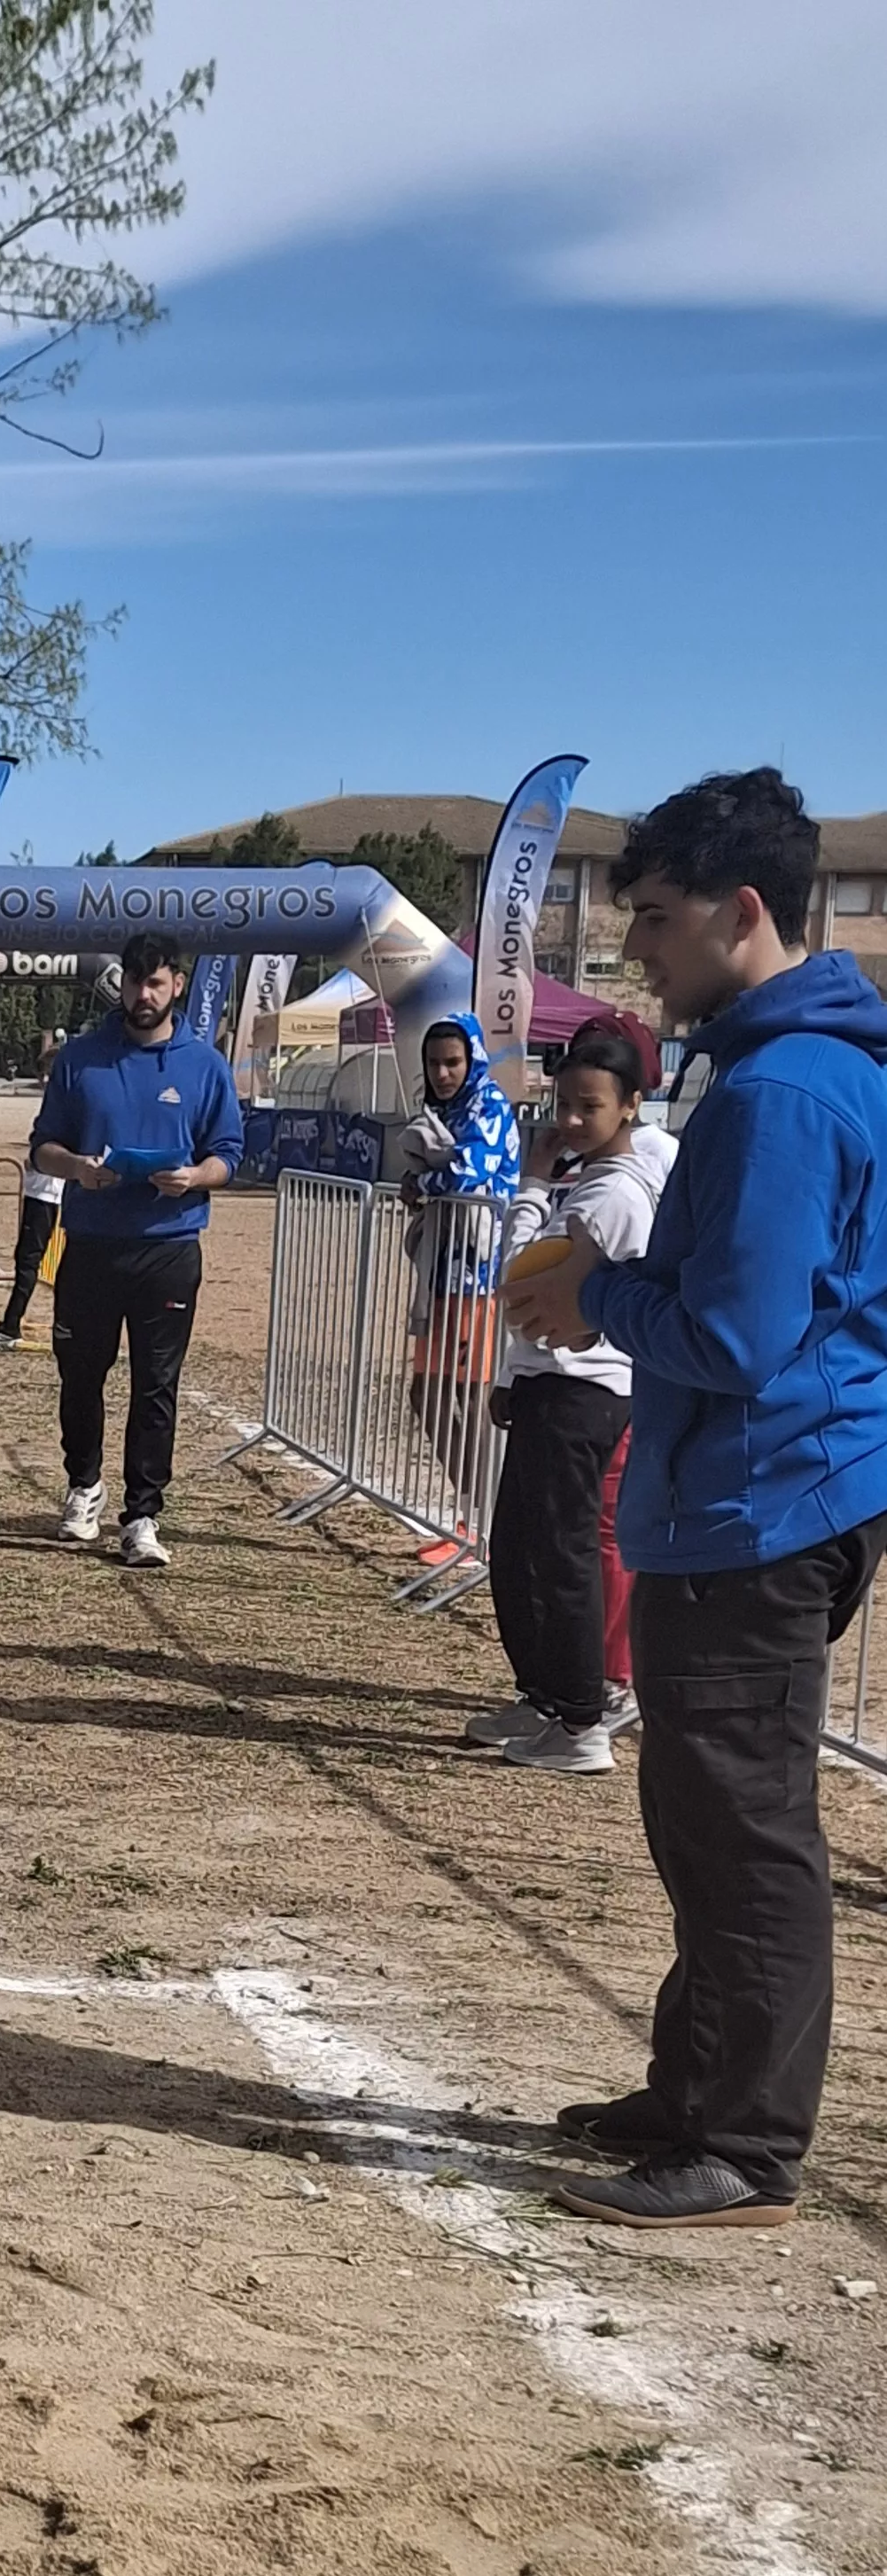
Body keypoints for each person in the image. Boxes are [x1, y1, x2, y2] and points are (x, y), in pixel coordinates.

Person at [510, 768, 887, 2229]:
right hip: (750, 1496)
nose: (635, 961)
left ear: (743, 913)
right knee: (700, 1811)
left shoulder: (786, 1092)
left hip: (761, 1506)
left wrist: (592, 1292)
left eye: (654, 923)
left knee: (742, 1830)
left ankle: (745, 2140)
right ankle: (697, 2086)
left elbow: (738, 1338)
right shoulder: (784, 1073)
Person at [469, 1023, 667, 1775]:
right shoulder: (582, 1182)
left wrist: (527, 1185)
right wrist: (513, 1378)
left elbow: (518, 1276)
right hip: (546, 1382)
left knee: (561, 1552)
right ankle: (545, 1695)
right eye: (564, 1104)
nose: (571, 1121)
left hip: (584, 1392)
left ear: (630, 1107)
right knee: (518, 1546)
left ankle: (582, 1715)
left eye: (589, 1106)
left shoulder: (613, 1193)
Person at [31, 932, 245, 1568]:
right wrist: (77, 1167)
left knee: (156, 1385)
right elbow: (42, 1146)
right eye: (133, 981)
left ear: (176, 984)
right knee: (79, 1374)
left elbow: (228, 1154)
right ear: (119, 983)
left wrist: (194, 1177)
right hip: (92, 1243)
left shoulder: (204, 1065)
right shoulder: (80, 1058)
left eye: (154, 982)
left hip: (168, 1248)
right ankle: (83, 1486)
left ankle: (142, 1515)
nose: (142, 994)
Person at [395, 1014, 520, 1567]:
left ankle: (487, 1520)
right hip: (445, 1274)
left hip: (478, 1276)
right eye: (434, 1064)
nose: (443, 1073)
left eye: (453, 1062)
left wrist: (419, 1182)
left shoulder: (489, 1106)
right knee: (431, 1394)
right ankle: (480, 1513)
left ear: (472, 1059)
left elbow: (467, 1175)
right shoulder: (445, 1111)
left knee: (467, 1399)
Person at [0, 1134, 66, 1348]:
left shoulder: (62, 1127)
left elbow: (50, 1159)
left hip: (45, 1197)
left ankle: (12, 1325)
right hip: (40, 1194)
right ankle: (12, 1322)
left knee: (28, 1262)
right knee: (26, 1260)